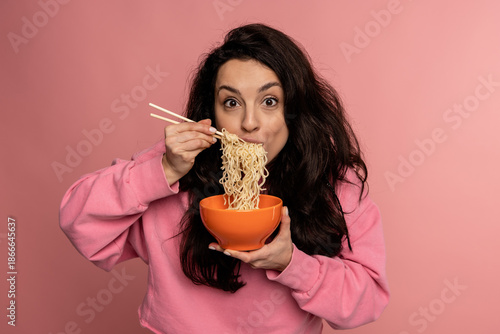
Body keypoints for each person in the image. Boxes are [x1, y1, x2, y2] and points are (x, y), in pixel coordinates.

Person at [60, 23, 389, 333]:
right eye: (231, 102)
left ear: (295, 110)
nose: (248, 122)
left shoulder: (331, 182)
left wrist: (292, 263)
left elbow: (367, 300)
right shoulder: (177, 168)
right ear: (212, 113)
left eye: (269, 101)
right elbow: (80, 222)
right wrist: (163, 171)